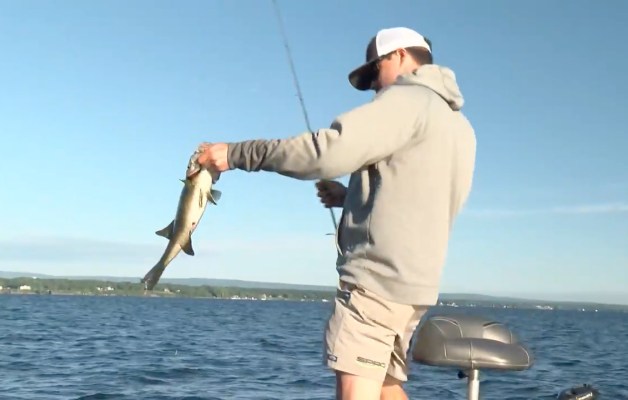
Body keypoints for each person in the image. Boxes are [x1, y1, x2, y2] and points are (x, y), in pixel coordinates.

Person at [192, 26, 476, 400]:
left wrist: (236, 154)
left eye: (375, 71)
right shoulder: (457, 126)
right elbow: (418, 196)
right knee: (386, 387)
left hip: (376, 283)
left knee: (357, 386)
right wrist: (351, 196)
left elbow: (324, 153)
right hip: (415, 287)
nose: (375, 86)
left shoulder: (406, 101)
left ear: (400, 56)